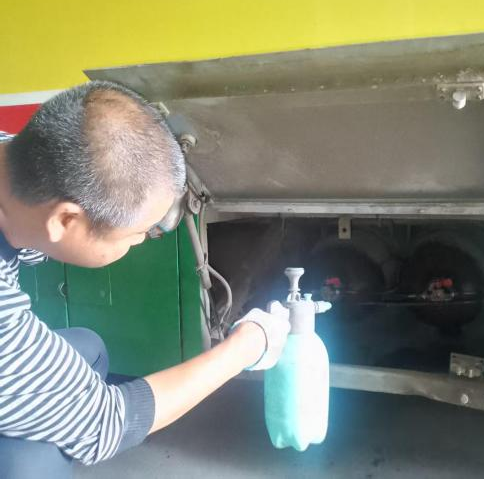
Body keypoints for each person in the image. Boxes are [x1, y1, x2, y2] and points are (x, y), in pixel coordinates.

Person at [0, 82, 291, 478]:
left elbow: (33, 237)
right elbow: (104, 422)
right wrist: (247, 346)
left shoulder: (13, 163)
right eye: (138, 233)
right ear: (66, 219)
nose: (142, 240)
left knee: (88, 349)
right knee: (30, 462)